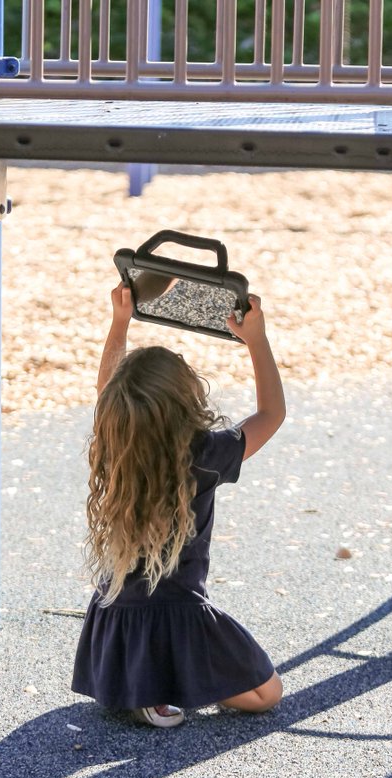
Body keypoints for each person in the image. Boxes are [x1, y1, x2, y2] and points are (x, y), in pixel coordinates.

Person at [71, 282, 286, 728]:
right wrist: (257, 340)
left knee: (165, 634)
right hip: (178, 611)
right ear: (184, 401)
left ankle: (136, 683)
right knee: (268, 694)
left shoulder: (117, 442)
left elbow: (108, 388)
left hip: (117, 612)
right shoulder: (203, 455)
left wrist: (120, 322)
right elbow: (271, 414)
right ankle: (164, 685)